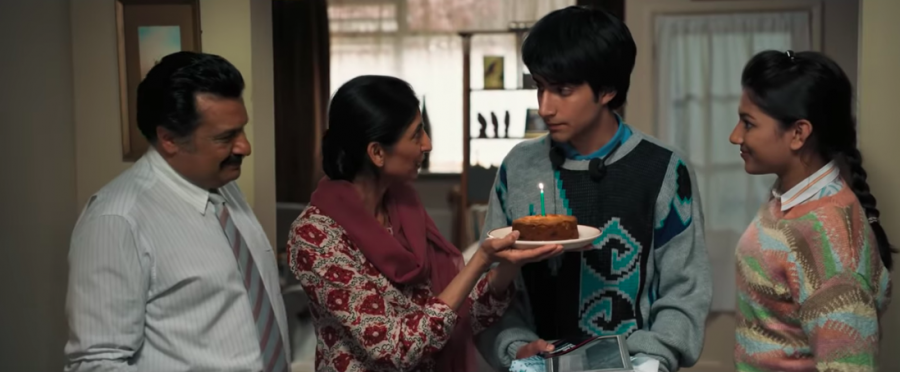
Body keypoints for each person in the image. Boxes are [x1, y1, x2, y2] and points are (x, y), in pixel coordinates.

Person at [474, 6, 712, 372]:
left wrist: (653, 358)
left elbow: (685, 287)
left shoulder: (663, 168)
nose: (545, 106)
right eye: (539, 86)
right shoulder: (519, 166)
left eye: (562, 90)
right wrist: (514, 346)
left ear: (607, 90)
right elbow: (492, 281)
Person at [287, 75, 564, 372]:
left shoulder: (404, 211)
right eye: (416, 134)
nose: (428, 145)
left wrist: (511, 261)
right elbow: (397, 348)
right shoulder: (315, 236)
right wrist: (480, 260)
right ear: (377, 153)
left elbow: (458, 314)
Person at [64, 51, 291, 372]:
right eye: (226, 137)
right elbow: (97, 362)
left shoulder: (222, 184)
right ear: (169, 139)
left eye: (241, 130)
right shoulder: (117, 220)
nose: (245, 147)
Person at [731, 50, 893, 371]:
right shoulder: (789, 196)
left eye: (748, 124)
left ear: (798, 133)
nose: (735, 136)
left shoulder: (829, 242)